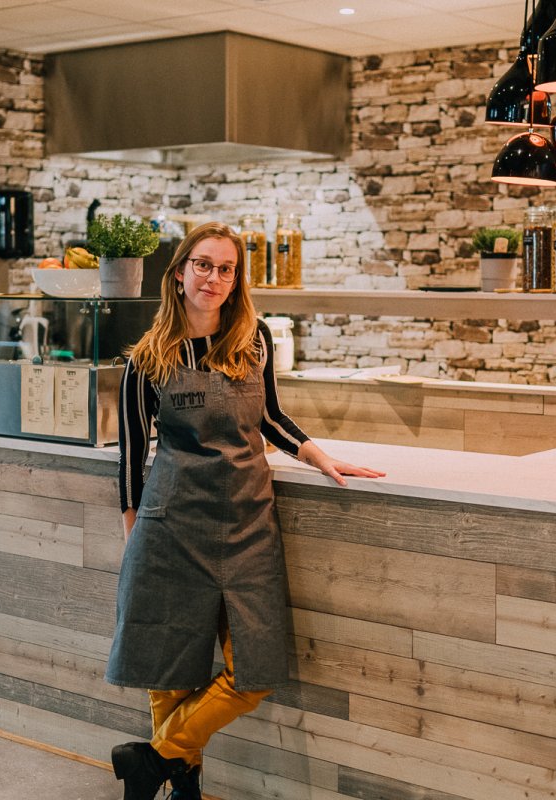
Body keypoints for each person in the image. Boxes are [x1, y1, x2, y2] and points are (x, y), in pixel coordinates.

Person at [107, 222, 384, 800]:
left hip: (247, 523)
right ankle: (183, 785)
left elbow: (271, 418)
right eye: (203, 265)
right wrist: (133, 536)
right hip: (171, 525)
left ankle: (152, 760)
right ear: (179, 274)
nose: (214, 278)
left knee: (252, 672)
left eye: (226, 269)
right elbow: (132, 457)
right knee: (168, 670)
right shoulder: (146, 360)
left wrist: (321, 457)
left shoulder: (253, 339)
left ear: (236, 281)